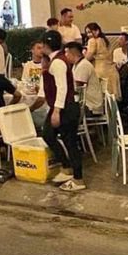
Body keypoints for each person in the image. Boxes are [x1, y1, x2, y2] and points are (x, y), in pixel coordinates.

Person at [41, 30, 84, 192]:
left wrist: (57, 111)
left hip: (66, 107)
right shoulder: (56, 60)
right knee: (48, 134)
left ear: (45, 45)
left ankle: (78, 179)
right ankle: (66, 168)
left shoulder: (58, 62)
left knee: (70, 142)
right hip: (63, 106)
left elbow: (62, 88)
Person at [67, 42, 104, 116]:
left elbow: (78, 88)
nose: (65, 55)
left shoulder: (83, 65)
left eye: (66, 52)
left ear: (73, 53)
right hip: (85, 102)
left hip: (90, 106)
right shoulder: (76, 65)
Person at [84, 23, 120, 100]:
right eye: (87, 33)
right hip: (111, 70)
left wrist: (83, 60)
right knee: (111, 99)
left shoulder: (92, 41)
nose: (88, 35)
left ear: (97, 31)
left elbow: (89, 55)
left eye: (90, 32)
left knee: (101, 97)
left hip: (99, 71)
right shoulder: (105, 41)